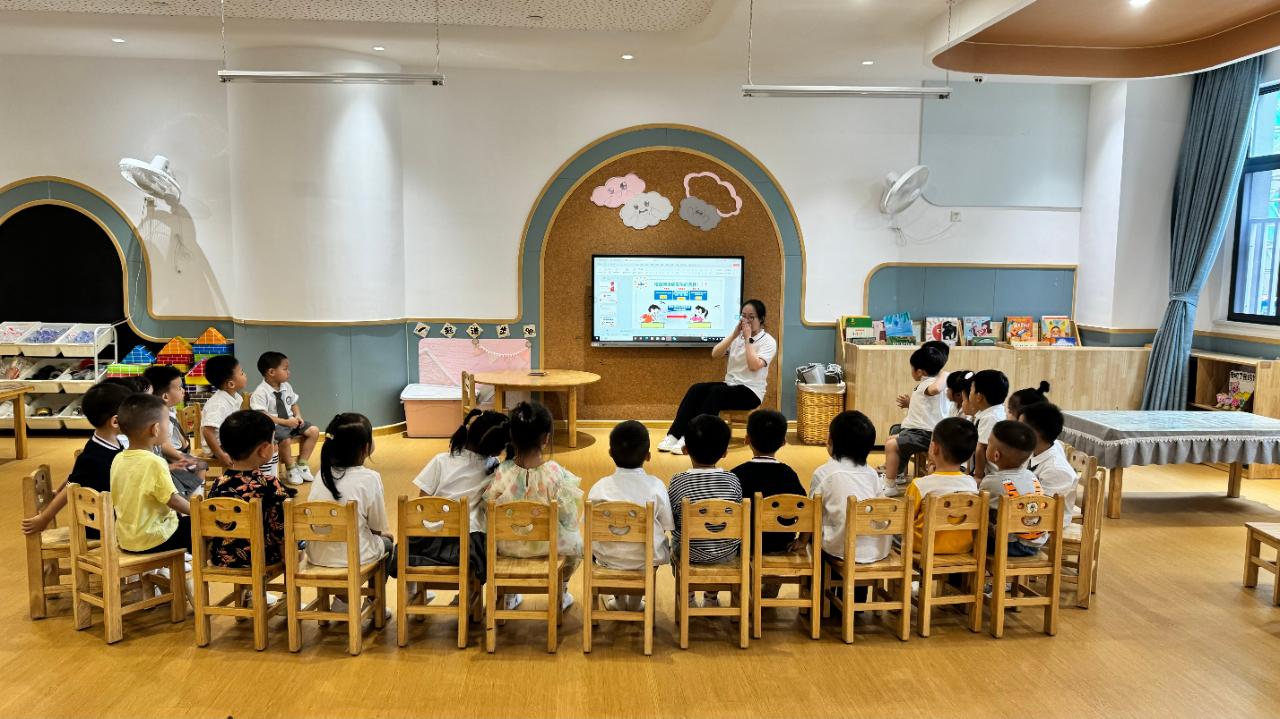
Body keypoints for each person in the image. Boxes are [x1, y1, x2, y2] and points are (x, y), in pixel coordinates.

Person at [483, 402, 584, 611]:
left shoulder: (503, 472)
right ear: (546, 439)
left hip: (507, 549)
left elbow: (487, 506)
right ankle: (561, 593)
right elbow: (567, 515)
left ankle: (508, 596)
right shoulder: (554, 473)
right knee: (575, 545)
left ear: (511, 435)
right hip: (549, 550)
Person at [408, 409, 510, 593]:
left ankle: (411, 592)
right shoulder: (494, 466)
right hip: (468, 546)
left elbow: (422, 503)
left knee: (407, 547)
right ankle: (467, 595)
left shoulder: (440, 460)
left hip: (427, 541)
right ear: (496, 449)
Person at [658, 299, 777, 454]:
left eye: (751, 317)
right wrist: (734, 335)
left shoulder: (768, 341)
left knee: (716, 392)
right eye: (743, 316)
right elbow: (716, 354)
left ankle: (694, 438)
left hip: (751, 391)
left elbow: (754, 366)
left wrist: (748, 340)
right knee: (697, 389)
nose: (746, 321)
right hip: (731, 386)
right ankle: (674, 435)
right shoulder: (737, 337)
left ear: (761, 319)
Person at [305, 413, 394, 616]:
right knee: (387, 542)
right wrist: (380, 536)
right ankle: (373, 603)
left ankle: (342, 600)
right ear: (364, 447)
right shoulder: (370, 478)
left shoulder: (321, 475)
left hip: (317, 554)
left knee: (345, 543)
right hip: (351, 558)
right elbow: (377, 526)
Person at [21, 383, 132, 538]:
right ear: (115, 421)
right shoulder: (95, 456)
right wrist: (44, 518)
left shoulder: (108, 443)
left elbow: (75, 474)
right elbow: (71, 488)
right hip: (102, 525)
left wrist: (58, 489)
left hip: (112, 515)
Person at [587, 420, 674, 612]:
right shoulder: (656, 486)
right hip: (645, 559)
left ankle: (618, 601)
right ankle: (635, 601)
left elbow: (586, 528)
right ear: (648, 456)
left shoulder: (599, 487)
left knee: (607, 552)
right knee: (657, 545)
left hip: (607, 559)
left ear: (610, 453)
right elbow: (668, 524)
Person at [667, 413, 741, 608]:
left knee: (675, 541)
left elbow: (671, 520)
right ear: (725, 452)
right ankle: (710, 597)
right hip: (726, 555)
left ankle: (688, 597)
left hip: (688, 554)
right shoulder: (733, 481)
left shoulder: (678, 481)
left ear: (685, 450)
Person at [205, 410, 295, 569]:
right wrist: (288, 556)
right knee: (298, 543)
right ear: (264, 449)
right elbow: (280, 529)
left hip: (222, 557)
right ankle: (288, 594)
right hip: (261, 557)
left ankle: (247, 593)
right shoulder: (270, 484)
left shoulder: (219, 482)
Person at [797, 411, 888, 566]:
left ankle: (820, 588)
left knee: (817, 536)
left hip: (841, 549)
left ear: (829, 439)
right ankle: (858, 591)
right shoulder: (872, 474)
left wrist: (801, 541)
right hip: (877, 549)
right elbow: (882, 505)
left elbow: (813, 513)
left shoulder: (824, 473)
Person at [730, 410, 805, 592]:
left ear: (747, 440)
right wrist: (802, 540)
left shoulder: (736, 474)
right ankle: (771, 576)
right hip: (781, 542)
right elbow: (805, 509)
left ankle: (746, 584)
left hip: (744, 542)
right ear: (784, 441)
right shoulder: (789, 474)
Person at [110, 393, 193, 554]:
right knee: (201, 526)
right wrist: (198, 511)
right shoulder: (154, 461)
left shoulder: (118, 458)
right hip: (153, 539)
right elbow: (173, 500)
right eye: (167, 423)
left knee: (181, 519)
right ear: (155, 429)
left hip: (127, 538)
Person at [905, 417, 980, 554]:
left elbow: (905, 517)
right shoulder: (971, 483)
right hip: (962, 546)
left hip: (924, 545)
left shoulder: (919, 485)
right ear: (970, 455)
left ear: (934, 448)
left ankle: (917, 573)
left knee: (894, 534)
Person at [250, 351, 320, 486]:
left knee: (314, 431)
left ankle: (302, 464)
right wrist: (285, 422)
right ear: (271, 372)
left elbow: (293, 404)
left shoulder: (286, 386)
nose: (289, 372)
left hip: (291, 422)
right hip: (275, 425)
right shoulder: (261, 392)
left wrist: (298, 416)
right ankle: (290, 468)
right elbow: (262, 415)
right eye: (285, 369)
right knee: (284, 439)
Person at [977, 420, 1047, 558]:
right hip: (1034, 543)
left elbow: (978, 508)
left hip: (1008, 544)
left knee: (969, 533)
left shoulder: (992, 481)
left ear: (996, 455)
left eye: (989, 443)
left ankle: (968, 579)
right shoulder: (1032, 477)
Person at [201, 355, 276, 476]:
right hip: (220, 446)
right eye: (242, 373)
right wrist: (221, 455)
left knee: (270, 443)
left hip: (230, 440)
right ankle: (251, 478)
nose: (245, 375)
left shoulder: (233, 397)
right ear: (231, 384)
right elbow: (208, 432)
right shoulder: (218, 404)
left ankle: (269, 478)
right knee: (258, 449)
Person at [884, 345, 948, 484]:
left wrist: (945, 374)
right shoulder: (935, 383)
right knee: (892, 437)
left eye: (911, 368)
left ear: (919, 372)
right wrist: (910, 403)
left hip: (925, 434)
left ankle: (890, 483)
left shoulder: (930, 384)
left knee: (891, 444)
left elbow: (934, 390)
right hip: (923, 432)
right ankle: (896, 473)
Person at [142, 364, 206, 498]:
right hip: (167, 459)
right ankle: (188, 505)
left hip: (174, 454)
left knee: (200, 465)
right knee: (198, 465)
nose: (183, 391)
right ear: (165, 396)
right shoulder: (158, 416)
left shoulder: (170, 410)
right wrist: (181, 458)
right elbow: (163, 445)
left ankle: (193, 501)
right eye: (179, 388)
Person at [1018, 401, 1077, 522]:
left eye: (1020, 427)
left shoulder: (1057, 470)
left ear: (1033, 434)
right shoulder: (1033, 452)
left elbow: (1041, 511)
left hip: (1045, 525)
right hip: (1026, 512)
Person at [967, 369, 1009, 481]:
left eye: (971, 390)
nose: (969, 393)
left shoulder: (990, 418)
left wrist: (978, 476)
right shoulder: (990, 413)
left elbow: (981, 449)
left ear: (979, 397)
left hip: (990, 475)